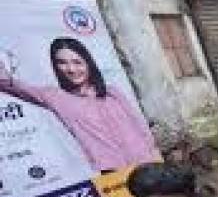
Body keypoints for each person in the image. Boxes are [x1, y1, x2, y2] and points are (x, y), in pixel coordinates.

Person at [0, 37, 159, 171]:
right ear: (56, 66)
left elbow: (140, 127)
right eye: (62, 62)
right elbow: (8, 84)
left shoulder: (112, 92)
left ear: (88, 63)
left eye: (77, 62)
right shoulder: (56, 97)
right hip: (112, 174)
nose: (71, 69)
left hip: (147, 165)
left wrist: (155, 158)